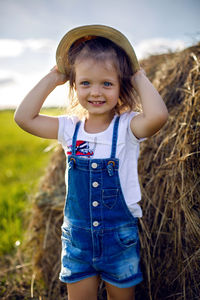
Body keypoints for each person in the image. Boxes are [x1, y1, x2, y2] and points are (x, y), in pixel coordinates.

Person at [14, 25, 168, 300]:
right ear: (74, 85)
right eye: (85, 83)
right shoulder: (69, 129)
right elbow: (23, 118)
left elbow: (158, 117)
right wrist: (54, 76)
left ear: (122, 86)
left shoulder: (127, 127)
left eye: (107, 83)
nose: (96, 92)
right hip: (77, 241)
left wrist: (137, 74)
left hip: (118, 239)